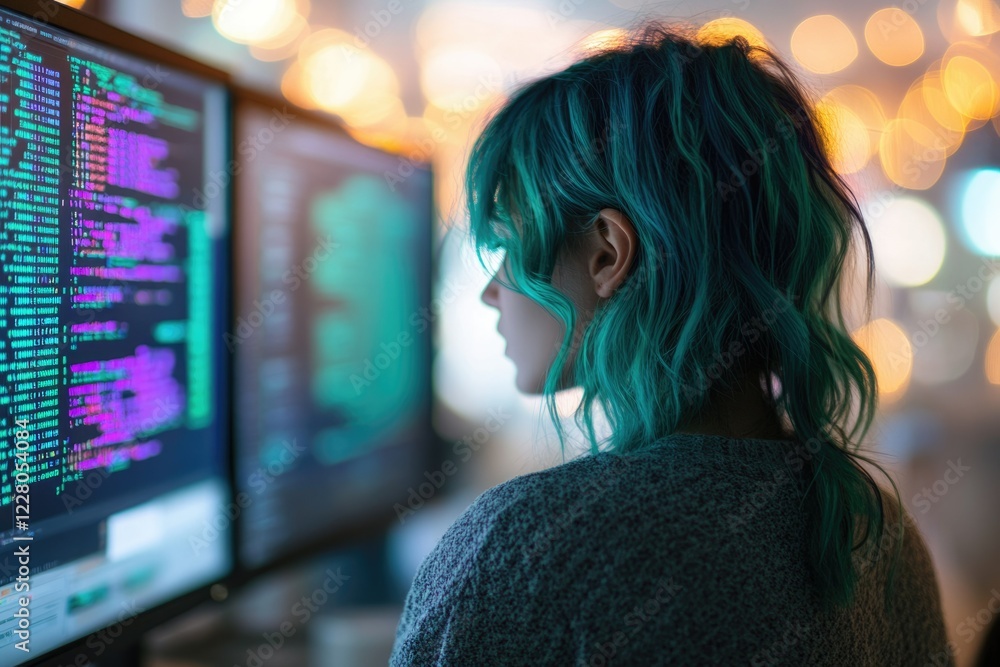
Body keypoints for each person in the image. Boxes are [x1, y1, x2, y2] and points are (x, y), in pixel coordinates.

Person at [390, 22, 954, 666]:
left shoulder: (522, 551)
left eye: (509, 249)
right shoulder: (877, 535)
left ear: (607, 252)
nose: (493, 292)